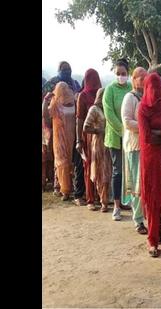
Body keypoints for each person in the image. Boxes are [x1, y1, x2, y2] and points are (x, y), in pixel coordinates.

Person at [138, 72, 161, 258]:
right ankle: (152, 239)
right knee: (152, 200)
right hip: (150, 160)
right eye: (152, 87)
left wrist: (160, 133)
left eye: (158, 87)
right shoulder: (142, 108)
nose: (155, 92)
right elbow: (146, 136)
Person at [103, 59, 133, 221]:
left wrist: (131, 131)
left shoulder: (131, 88)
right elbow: (109, 114)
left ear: (128, 74)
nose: (121, 76)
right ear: (115, 74)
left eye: (124, 74)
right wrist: (124, 130)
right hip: (115, 137)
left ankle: (126, 201)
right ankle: (116, 206)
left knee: (129, 171)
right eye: (118, 74)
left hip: (131, 138)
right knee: (118, 171)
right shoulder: (109, 90)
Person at [121, 67, 148, 233]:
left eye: (146, 77)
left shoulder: (148, 96)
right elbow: (126, 122)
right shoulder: (129, 97)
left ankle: (150, 216)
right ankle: (138, 219)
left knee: (147, 183)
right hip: (135, 145)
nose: (143, 80)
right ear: (134, 79)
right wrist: (146, 128)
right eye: (141, 77)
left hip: (149, 146)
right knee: (137, 184)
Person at [76, 69, 102, 210]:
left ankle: (100, 197)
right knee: (88, 167)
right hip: (88, 136)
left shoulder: (101, 94)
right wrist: (79, 141)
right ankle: (90, 199)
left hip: (101, 136)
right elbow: (79, 120)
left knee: (100, 166)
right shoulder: (83, 96)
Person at [83, 88, 112, 212]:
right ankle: (103, 201)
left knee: (109, 171)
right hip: (99, 143)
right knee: (101, 172)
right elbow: (85, 127)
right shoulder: (94, 109)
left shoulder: (108, 108)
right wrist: (98, 131)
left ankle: (107, 199)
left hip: (110, 143)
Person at [46, 82, 77, 201]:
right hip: (60, 139)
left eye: (66, 88)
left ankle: (67, 188)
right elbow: (46, 115)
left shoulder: (73, 102)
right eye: (62, 88)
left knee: (68, 163)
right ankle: (65, 190)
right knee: (62, 163)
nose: (65, 90)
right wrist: (46, 100)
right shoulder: (56, 104)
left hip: (70, 138)